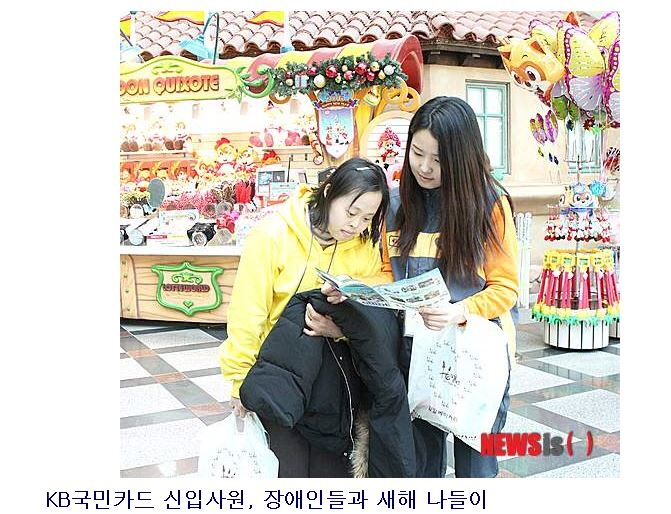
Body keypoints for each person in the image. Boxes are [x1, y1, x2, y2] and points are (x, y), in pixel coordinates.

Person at [324, 97, 519, 477]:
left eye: (439, 159)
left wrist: (460, 311)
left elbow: (506, 287)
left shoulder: (489, 206)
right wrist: (357, 291)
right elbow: (388, 272)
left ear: (462, 158)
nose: (425, 167)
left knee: (476, 471)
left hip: (474, 357)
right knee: (420, 469)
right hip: (415, 357)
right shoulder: (396, 205)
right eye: (417, 153)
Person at [219, 157, 390, 477]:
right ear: (328, 192)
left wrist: (340, 328)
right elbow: (248, 312)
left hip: (334, 381)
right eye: (351, 212)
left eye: (367, 218)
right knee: (287, 470)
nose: (356, 225)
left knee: (330, 473)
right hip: (280, 374)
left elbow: (371, 312)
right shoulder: (272, 235)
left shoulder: (364, 246)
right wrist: (239, 380)